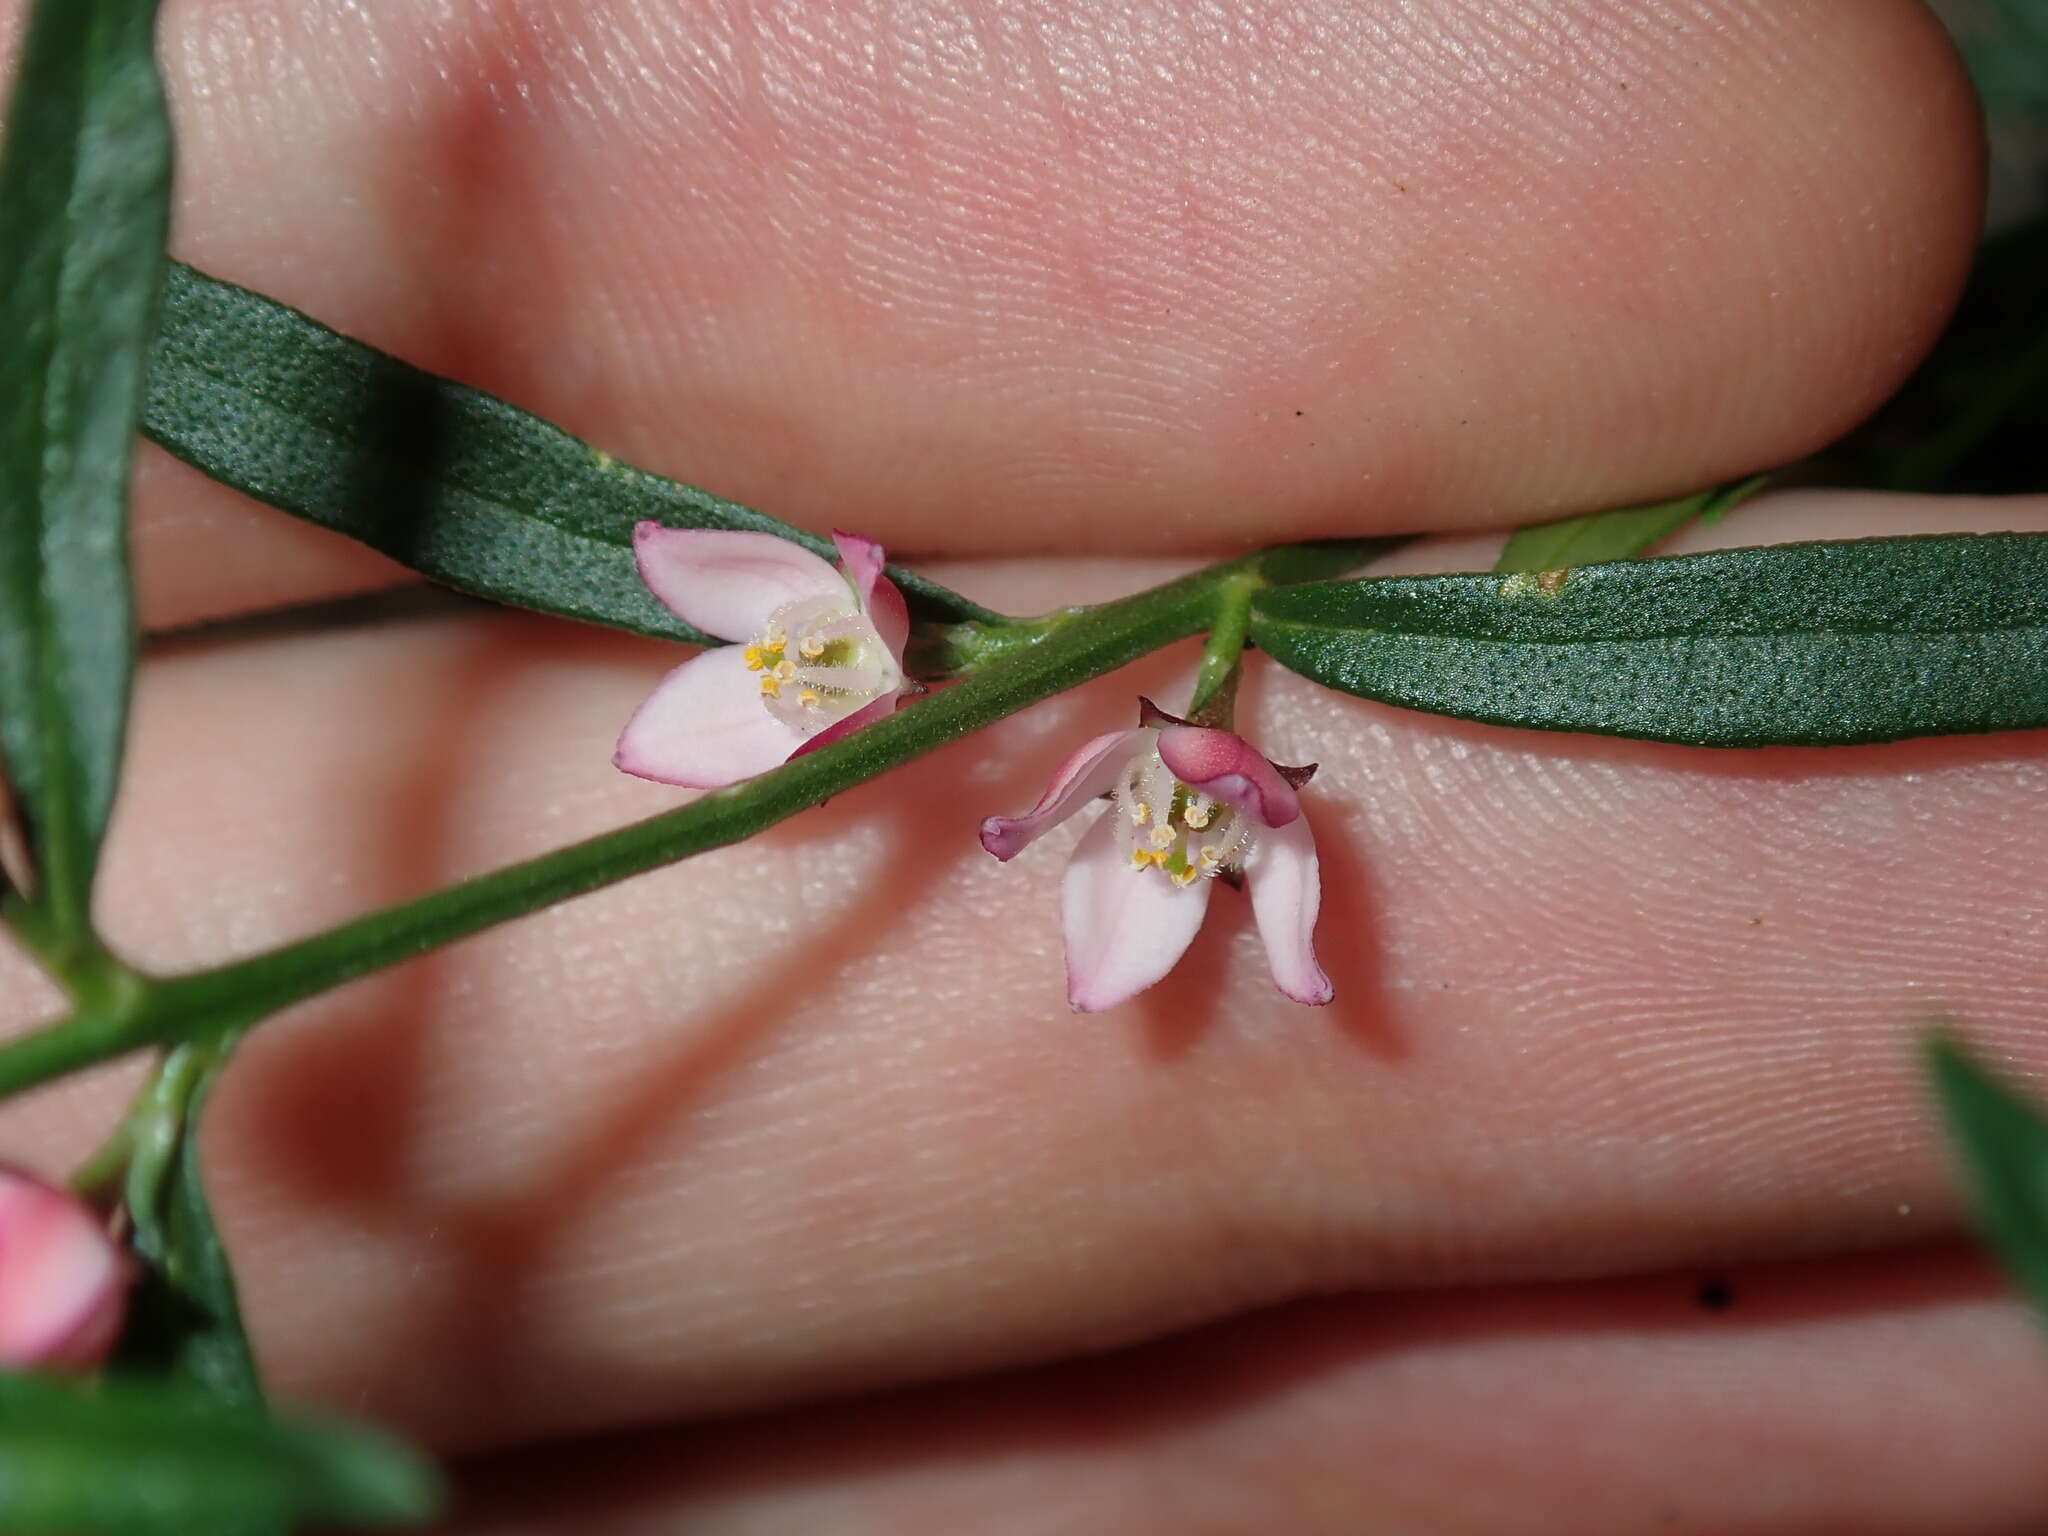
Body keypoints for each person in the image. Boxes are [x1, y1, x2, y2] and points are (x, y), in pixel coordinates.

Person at [1, 0, 2042, 1529]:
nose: (1174, 818)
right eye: (1180, 814)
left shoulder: (958, 678)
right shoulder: (1056, 754)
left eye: (1178, 822)